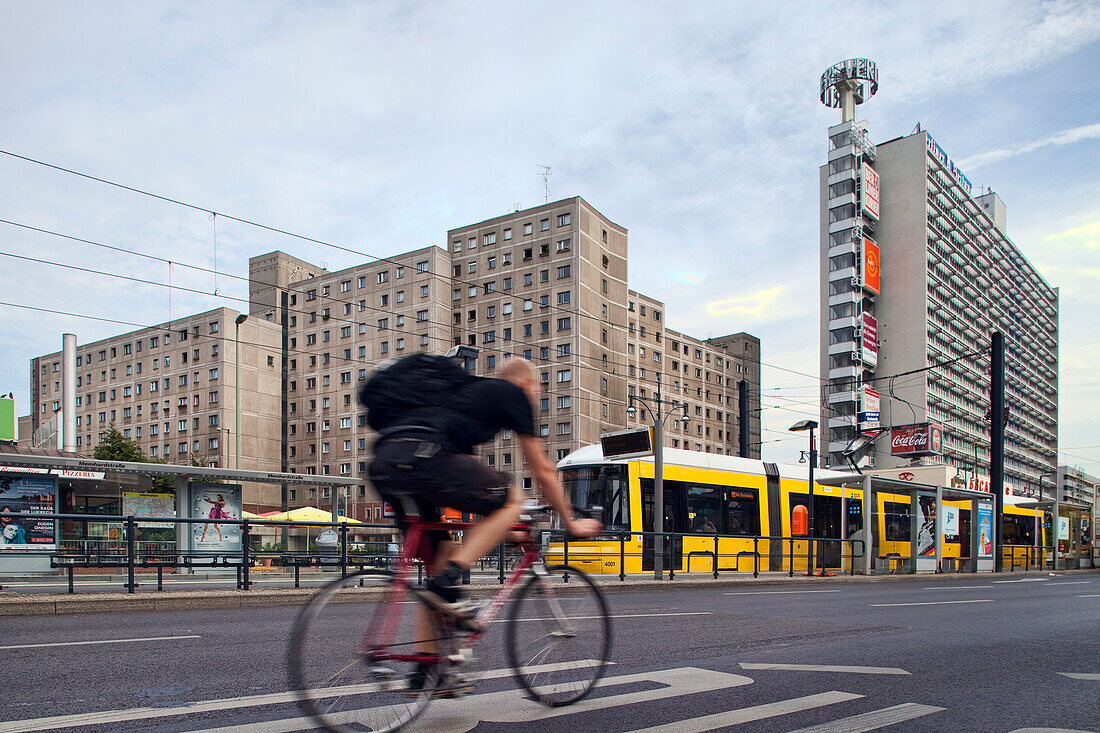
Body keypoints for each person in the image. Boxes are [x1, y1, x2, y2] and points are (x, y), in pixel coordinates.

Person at [369, 357, 602, 616]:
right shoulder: (512, 394)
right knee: (514, 497)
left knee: (439, 570)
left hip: (385, 463)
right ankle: (448, 580)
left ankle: (428, 653)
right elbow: (543, 471)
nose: (538, 396)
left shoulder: (463, 403)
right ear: (526, 382)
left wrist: (506, 527)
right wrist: (571, 523)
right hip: (422, 455)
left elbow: (472, 489)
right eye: (538, 389)